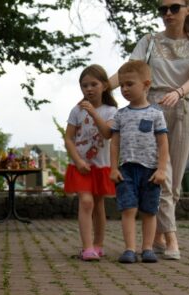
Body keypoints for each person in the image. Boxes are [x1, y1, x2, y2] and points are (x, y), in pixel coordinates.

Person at [108, 0, 189, 260]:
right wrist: (100, 89)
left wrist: (179, 92)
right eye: (162, 9)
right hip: (151, 110)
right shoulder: (149, 40)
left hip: (182, 107)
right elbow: (128, 72)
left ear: (188, 9)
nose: (168, 13)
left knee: (174, 181)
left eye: (174, 7)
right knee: (160, 173)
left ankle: (160, 235)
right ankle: (172, 239)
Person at [110, 60, 169, 264]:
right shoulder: (120, 115)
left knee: (149, 210)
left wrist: (162, 169)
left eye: (129, 84)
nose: (124, 89)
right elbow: (115, 144)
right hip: (126, 169)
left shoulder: (156, 114)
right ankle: (129, 249)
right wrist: (113, 167)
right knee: (128, 208)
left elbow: (163, 144)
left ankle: (147, 248)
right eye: (122, 85)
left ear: (145, 84)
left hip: (151, 171)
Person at [63, 64, 118, 261]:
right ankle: (87, 248)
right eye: (84, 85)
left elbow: (108, 133)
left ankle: (98, 245)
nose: (89, 89)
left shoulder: (111, 111)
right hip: (81, 166)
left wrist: (94, 114)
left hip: (101, 165)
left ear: (104, 85)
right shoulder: (76, 111)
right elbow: (68, 138)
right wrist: (77, 160)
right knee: (86, 202)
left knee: (99, 205)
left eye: (93, 84)